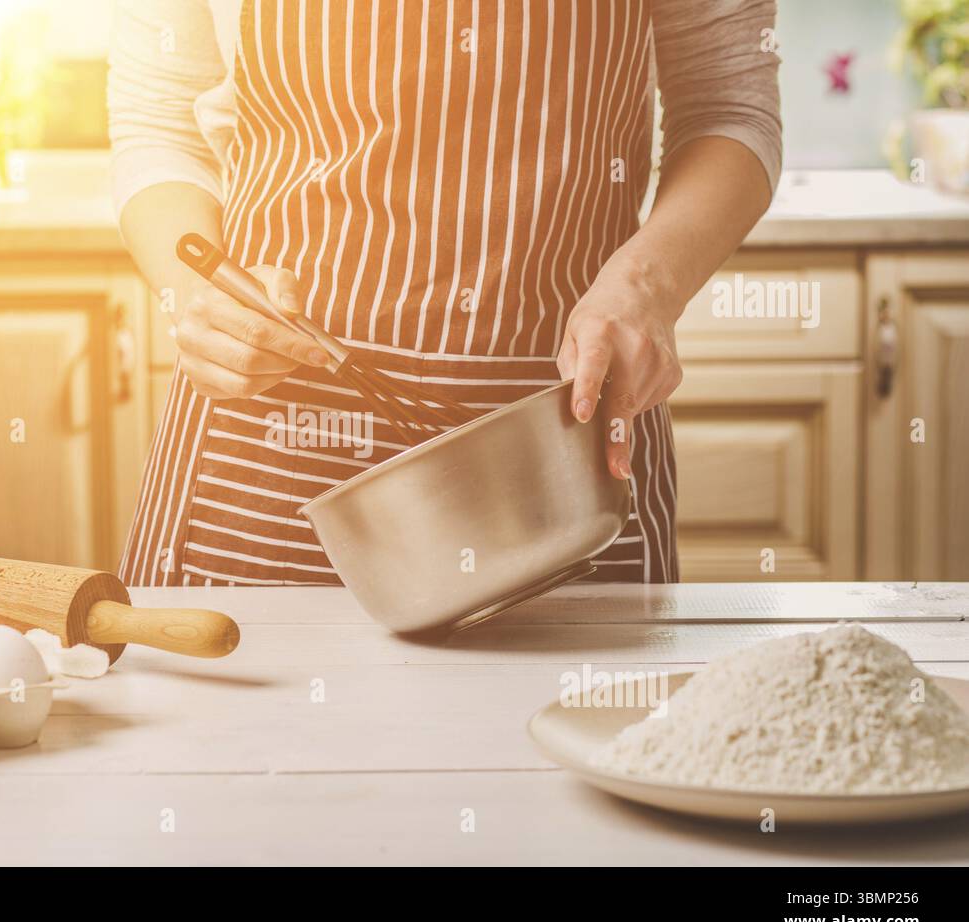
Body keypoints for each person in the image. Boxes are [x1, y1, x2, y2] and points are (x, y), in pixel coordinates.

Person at [109, 0, 782, 586]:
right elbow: (158, 123)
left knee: (567, 731)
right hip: (267, 442)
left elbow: (729, 105)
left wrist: (646, 287)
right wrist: (203, 294)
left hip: (562, 439)